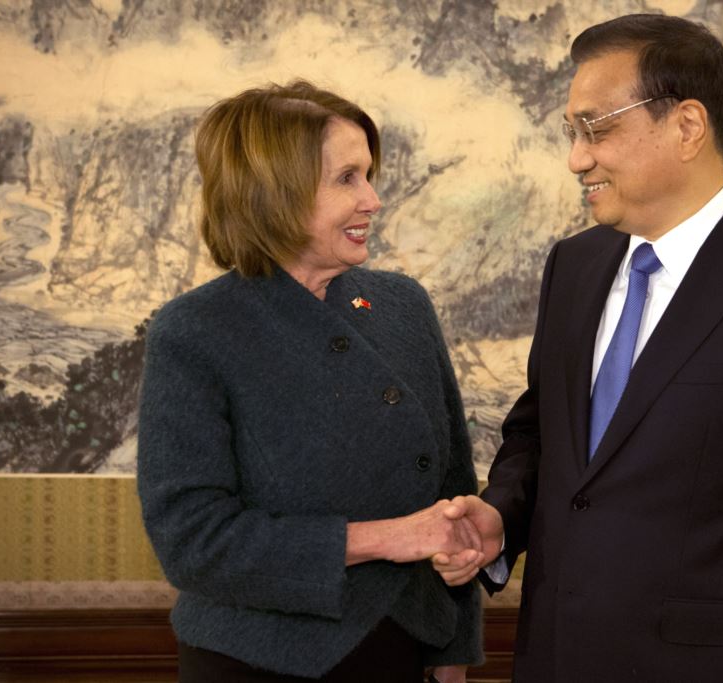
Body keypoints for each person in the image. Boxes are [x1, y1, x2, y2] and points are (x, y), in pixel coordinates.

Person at [433, 14, 723, 682]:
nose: (577, 157)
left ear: (687, 126)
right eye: (572, 132)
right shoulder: (574, 266)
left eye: (599, 128)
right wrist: (502, 514)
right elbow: (542, 438)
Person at [137, 80, 482, 683]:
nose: (373, 199)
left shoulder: (403, 305)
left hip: (406, 652)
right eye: (347, 178)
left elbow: (451, 489)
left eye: (369, 175)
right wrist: (382, 539)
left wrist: (454, 651)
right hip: (255, 663)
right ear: (274, 193)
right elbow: (192, 544)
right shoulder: (194, 331)